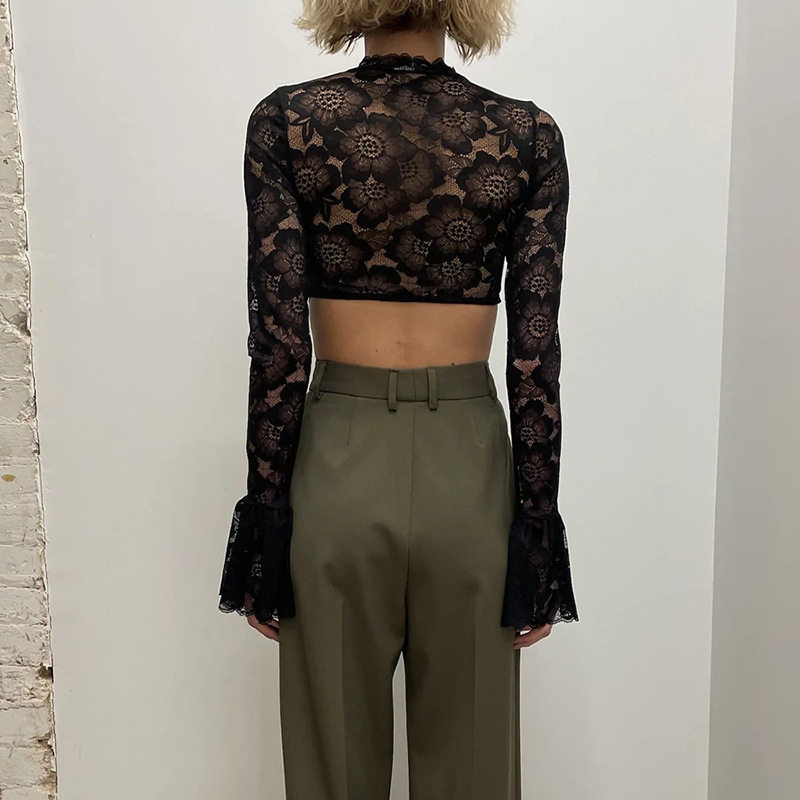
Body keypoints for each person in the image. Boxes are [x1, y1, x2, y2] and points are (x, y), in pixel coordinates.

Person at [218, 0, 580, 796]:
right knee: (475, 771)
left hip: (338, 465)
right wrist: (535, 529)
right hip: (469, 472)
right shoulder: (526, 136)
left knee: (332, 772)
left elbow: (279, 343)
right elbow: (534, 355)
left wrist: (268, 518)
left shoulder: (289, 124)